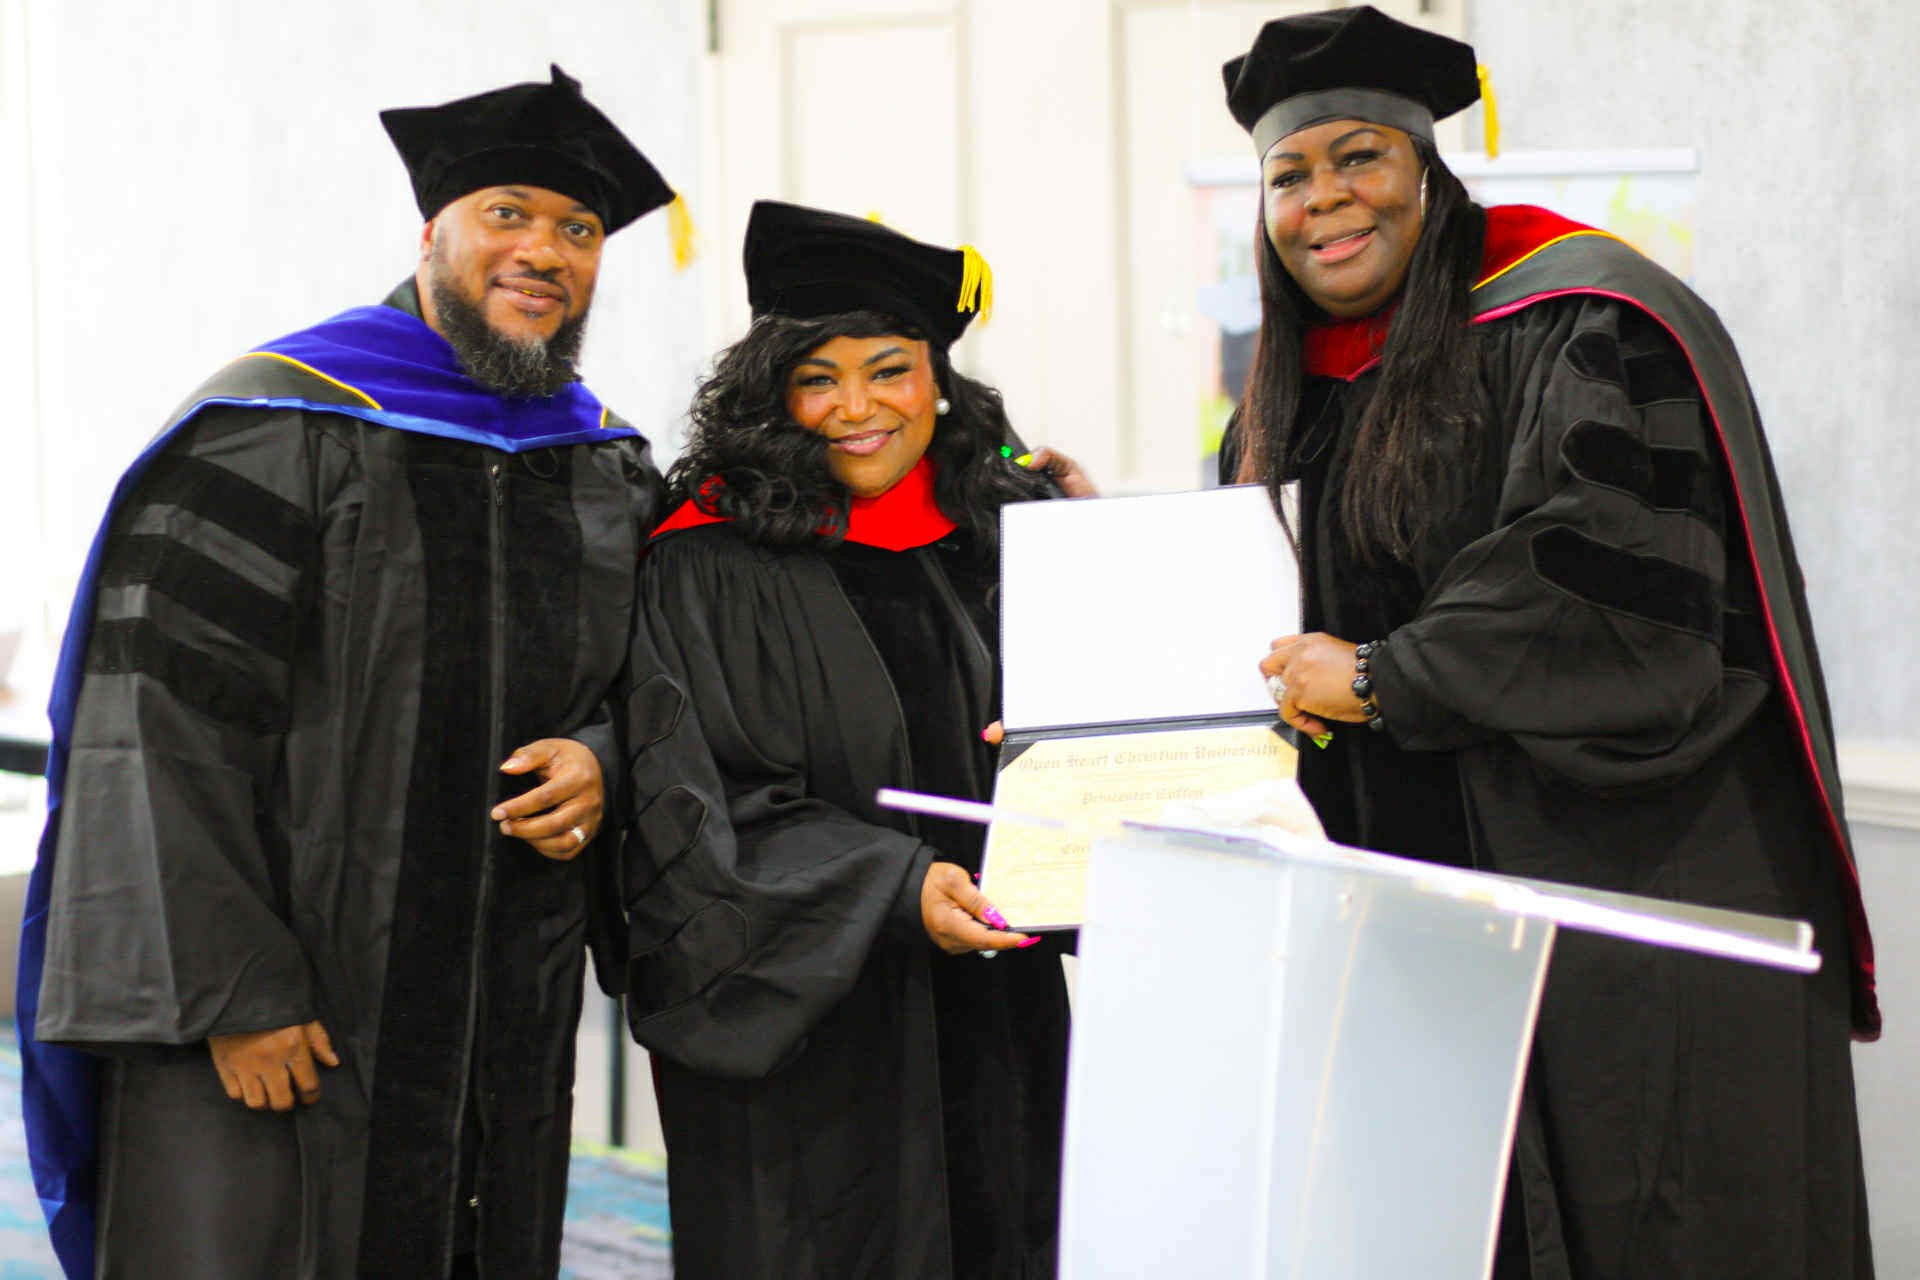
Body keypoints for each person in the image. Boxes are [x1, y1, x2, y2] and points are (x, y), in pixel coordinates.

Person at [1223, 8, 1874, 1277]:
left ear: (1428, 167)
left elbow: (1606, 596)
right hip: (1424, 909)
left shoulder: (1586, 318)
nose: (1325, 202)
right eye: (1290, 175)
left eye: (1359, 158)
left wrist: (1375, 677)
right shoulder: (1301, 382)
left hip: (1625, 892)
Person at [18, 66, 675, 1279]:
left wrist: (605, 760)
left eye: (577, 230)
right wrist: (231, 990)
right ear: (432, 233)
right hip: (286, 1009)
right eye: (509, 214)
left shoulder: (600, 467)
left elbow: (657, 688)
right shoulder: (277, 428)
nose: (545, 251)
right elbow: (154, 723)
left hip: (496, 1018)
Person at [620, 201, 1084, 1278]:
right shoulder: (709, 560)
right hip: (814, 1029)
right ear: (773, 392)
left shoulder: (1001, 535)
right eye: (819, 377)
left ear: (939, 381)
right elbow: (697, 799)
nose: (858, 408)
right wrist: (893, 887)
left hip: (1000, 1008)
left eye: (891, 370)